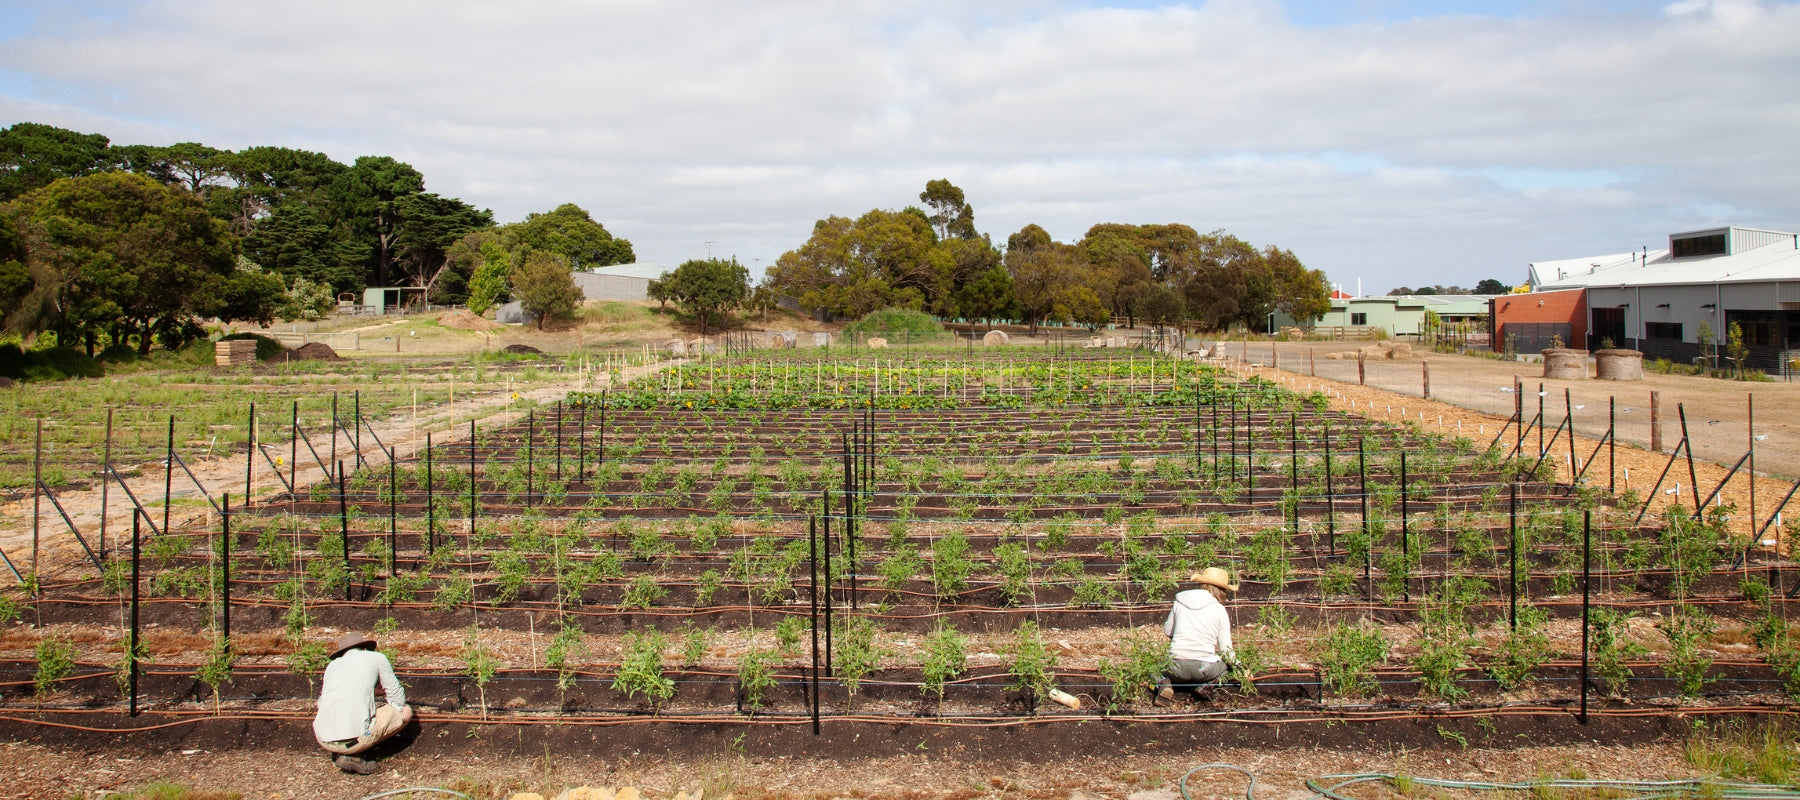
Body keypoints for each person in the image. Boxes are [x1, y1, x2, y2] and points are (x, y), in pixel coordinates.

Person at [313, 631, 414, 775]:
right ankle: (353, 755)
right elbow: (396, 694)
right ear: (364, 647)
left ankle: (344, 750)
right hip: (353, 742)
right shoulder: (377, 658)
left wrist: (373, 693)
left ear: (343, 653)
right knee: (405, 711)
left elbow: (324, 701)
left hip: (323, 738)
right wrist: (394, 709)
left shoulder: (333, 666)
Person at [1156, 567, 1238, 704]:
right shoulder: (1219, 610)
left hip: (1175, 668)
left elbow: (1168, 631)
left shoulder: (1180, 601)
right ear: (1222, 591)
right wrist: (1240, 667)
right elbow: (1226, 651)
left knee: (1154, 669)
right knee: (1228, 668)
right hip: (1204, 670)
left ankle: (1164, 684)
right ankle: (1208, 686)